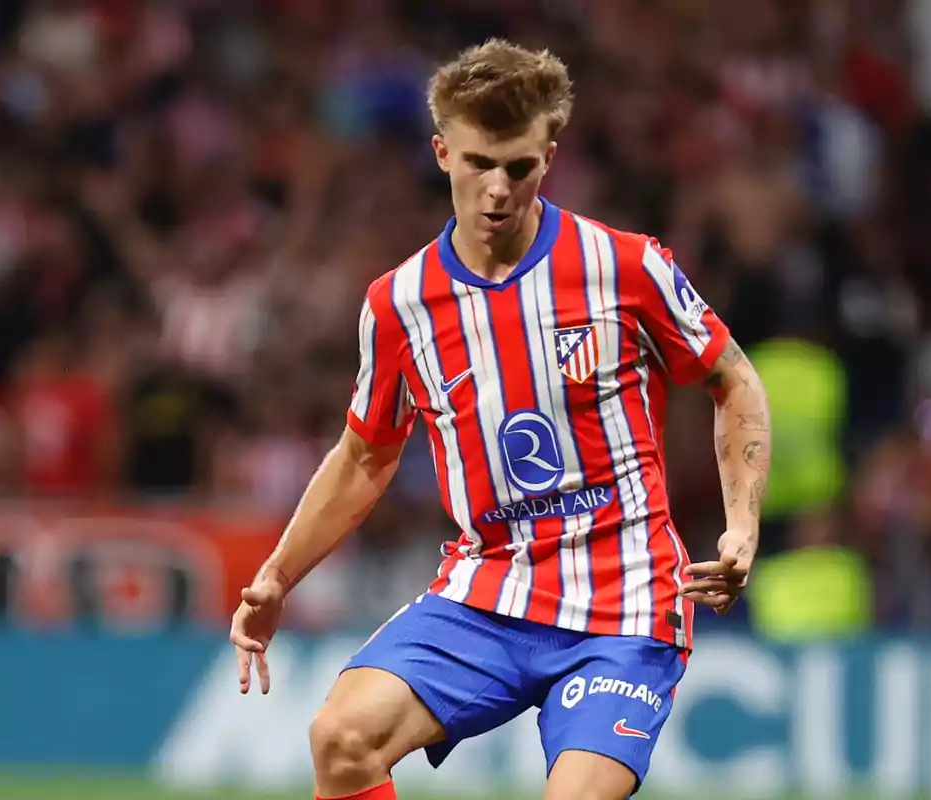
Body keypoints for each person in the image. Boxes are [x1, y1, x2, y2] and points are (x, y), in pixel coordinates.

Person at [229, 39, 773, 800]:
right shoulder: (400, 304)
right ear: (442, 151)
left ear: (548, 157)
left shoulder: (623, 265)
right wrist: (277, 577)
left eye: (519, 166)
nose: (497, 188)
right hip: (489, 589)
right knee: (340, 740)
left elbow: (735, 381)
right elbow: (364, 456)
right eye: (479, 162)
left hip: (623, 602)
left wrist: (741, 524)